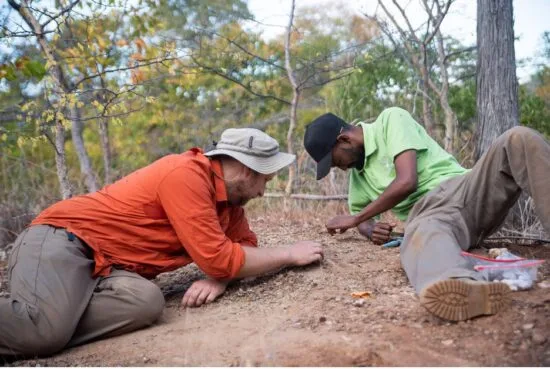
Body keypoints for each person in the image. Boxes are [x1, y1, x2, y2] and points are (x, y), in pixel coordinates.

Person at [0, 128, 324, 358]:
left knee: (146, 302)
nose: (262, 192)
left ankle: (57, 317)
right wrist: (288, 254)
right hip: (63, 239)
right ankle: (48, 325)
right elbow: (221, 257)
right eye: (264, 180)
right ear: (243, 169)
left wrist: (222, 277)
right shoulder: (186, 174)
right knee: (43, 330)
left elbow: (241, 248)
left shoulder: (229, 203)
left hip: (105, 270)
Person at [303, 107, 550, 322]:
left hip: (466, 188)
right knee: (421, 232)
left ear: (344, 139)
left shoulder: (390, 119)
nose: (342, 168)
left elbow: (406, 181)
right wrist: (369, 229)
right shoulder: (359, 176)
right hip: (433, 217)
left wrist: (355, 219)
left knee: (517, 138)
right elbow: (362, 217)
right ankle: (461, 287)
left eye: (336, 162)